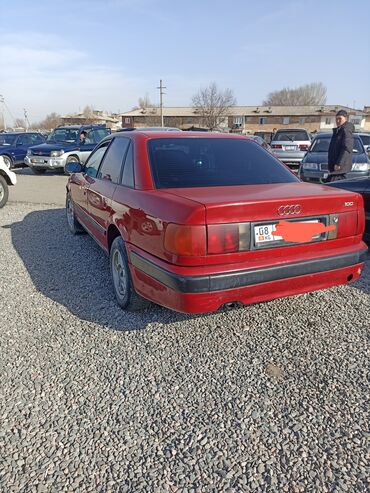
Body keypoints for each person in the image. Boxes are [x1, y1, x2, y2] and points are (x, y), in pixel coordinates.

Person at [327, 110, 354, 182]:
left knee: (332, 188)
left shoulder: (346, 130)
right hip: (335, 167)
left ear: (346, 118)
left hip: (340, 169)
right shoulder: (339, 130)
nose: (338, 121)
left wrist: (339, 163)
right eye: (336, 119)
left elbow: (347, 148)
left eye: (340, 119)